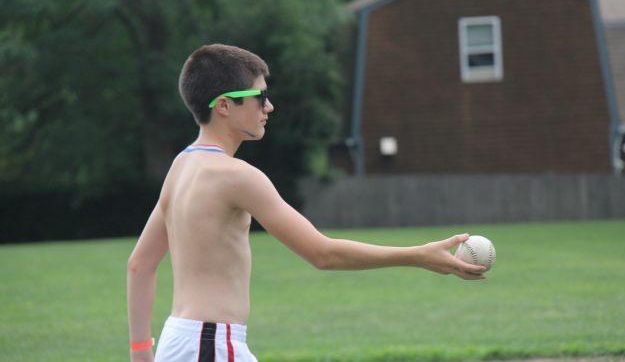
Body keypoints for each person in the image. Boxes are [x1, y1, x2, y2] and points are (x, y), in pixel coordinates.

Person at [127, 44, 487, 362]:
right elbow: (322, 254)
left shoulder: (181, 166)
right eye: (259, 96)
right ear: (224, 105)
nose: (269, 106)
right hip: (212, 345)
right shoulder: (237, 176)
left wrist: (141, 351)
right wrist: (419, 256)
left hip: (180, 339)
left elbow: (139, 265)